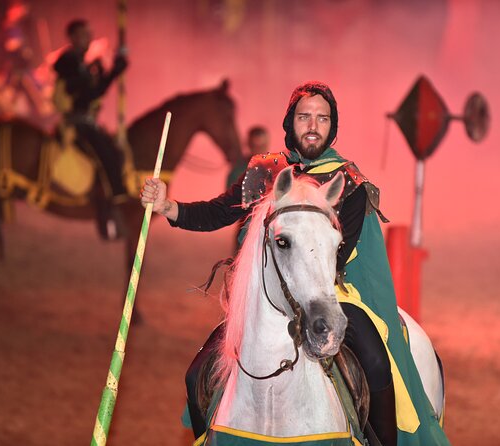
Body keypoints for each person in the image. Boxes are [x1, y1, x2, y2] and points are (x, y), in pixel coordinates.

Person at [141, 82, 450, 446]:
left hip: (331, 294)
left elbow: (333, 257)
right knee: (196, 375)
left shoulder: (347, 182)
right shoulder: (265, 172)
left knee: (377, 364)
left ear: (332, 126)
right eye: (305, 117)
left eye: (322, 118)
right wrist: (167, 206)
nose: (313, 126)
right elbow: (217, 212)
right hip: (268, 296)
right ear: (291, 122)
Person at [53, 19, 128, 238]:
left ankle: (109, 205)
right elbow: (88, 94)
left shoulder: (79, 63)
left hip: (86, 121)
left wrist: (108, 73)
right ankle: (116, 205)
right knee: (109, 155)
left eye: (89, 34)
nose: (88, 39)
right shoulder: (67, 62)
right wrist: (112, 72)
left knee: (113, 150)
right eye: (84, 35)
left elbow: (94, 91)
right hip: (77, 123)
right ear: (73, 37)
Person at [225, 125, 269, 251]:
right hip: (246, 232)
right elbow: (230, 202)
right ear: (248, 145)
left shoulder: (276, 166)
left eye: (263, 146)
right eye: (256, 146)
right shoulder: (238, 170)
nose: (260, 151)